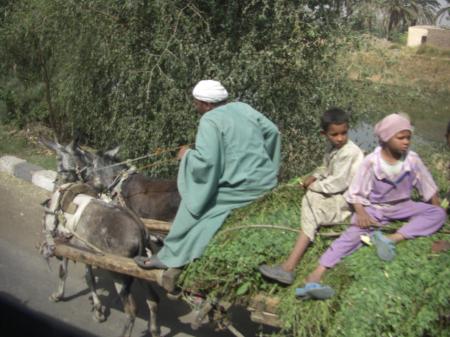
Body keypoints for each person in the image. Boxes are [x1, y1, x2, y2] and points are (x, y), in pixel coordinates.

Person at [295, 113, 447, 300]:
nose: (406, 142)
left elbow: (428, 187)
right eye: (401, 138)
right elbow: (356, 193)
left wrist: (438, 215)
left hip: (404, 206)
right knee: (351, 236)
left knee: (438, 214)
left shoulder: (412, 160)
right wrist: (361, 213)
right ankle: (315, 276)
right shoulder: (371, 162)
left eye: (408, 137)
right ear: (386, 138)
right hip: (376, 208)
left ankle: (391, 238)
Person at [135, 80, 281, 269]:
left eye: (196, 102)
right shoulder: (243, 107)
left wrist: (186, 156)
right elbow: (273, 132)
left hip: (242, 189)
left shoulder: (209, 120)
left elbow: (207, 164)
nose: (195, 106)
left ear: (207, 104)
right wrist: (267, 165)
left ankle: (169, 257)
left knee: (192, 207)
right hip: (266, 181)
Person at [259, 108, 364, 285]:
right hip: (337, 191)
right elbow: (326, 167)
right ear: (324, 134)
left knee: (311, 201)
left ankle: (288, 266)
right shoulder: (333, 147)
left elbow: (338, 182)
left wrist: (313, 186)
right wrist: (314, 175)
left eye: (344, 133)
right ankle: (289, 265)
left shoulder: (350, 152)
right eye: (334, 134)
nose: (340, 138)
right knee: (310, 197)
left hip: (347, 199)